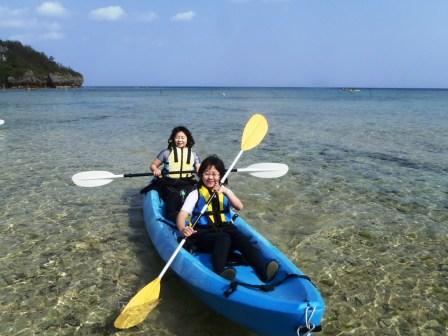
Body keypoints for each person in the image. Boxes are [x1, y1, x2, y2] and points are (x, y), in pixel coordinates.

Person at [176, 155, 279, 282]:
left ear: (221, 176)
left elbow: (239, 206)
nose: (210, 177)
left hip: (225, 228)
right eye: (207, 174)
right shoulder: (195, 194)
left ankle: (263, 270)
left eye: (214, 174)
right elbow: (182, 215)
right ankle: (220, 270)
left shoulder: (224, 191)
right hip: (203, 234)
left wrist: (227, 191)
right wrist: (183, 228)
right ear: (201, 175)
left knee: (240, 237)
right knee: (223, 237)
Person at [144, 126, 201, 221]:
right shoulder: (166, 153)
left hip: (187, 182)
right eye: (177, 137)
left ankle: (193, 217)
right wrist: (156, 170)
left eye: (183, 137)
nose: (180, 140)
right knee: (174, 195)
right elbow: (153, 165)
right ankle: (173, 217)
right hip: (169, 182)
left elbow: (199, 170)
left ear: (188, 139)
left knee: (193, 195)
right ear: (173, 139)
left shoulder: (194, 155)